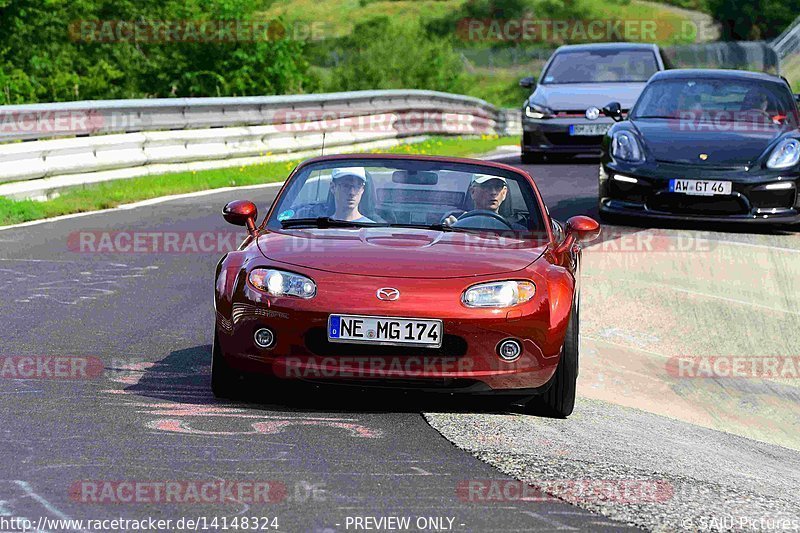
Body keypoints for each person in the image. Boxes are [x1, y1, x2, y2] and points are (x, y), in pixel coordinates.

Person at [443, 174, 524, 229]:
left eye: (498, 186)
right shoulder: (455, 221)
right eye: (486, 186)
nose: (493, 192)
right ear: (472, 192)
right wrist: (449, 230)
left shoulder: (516, 230)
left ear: (504, 193)